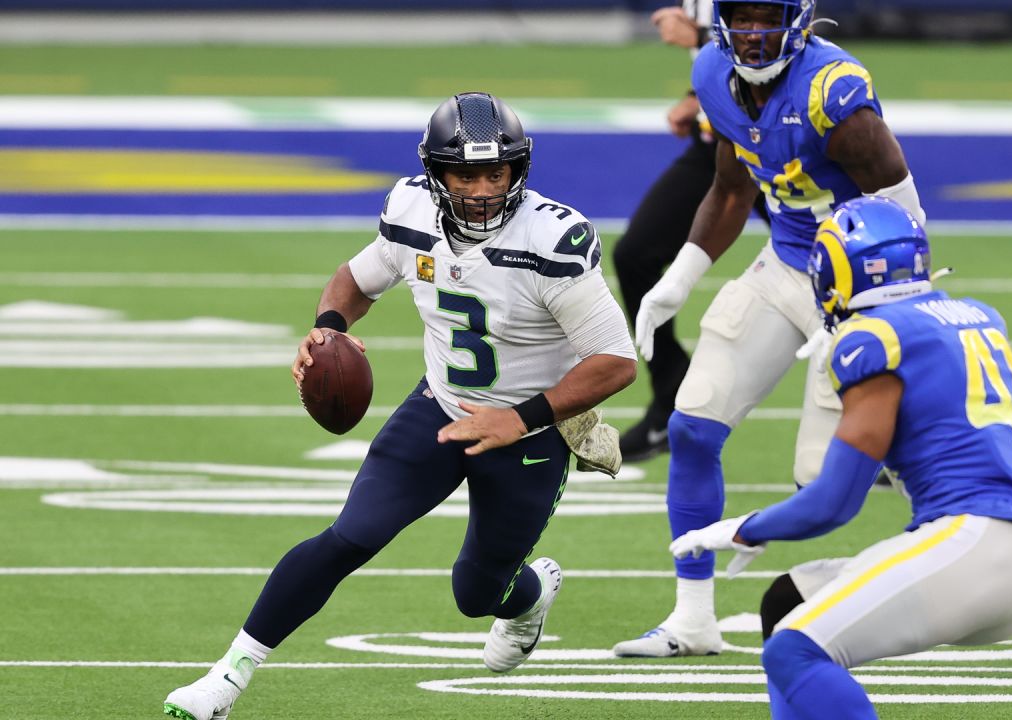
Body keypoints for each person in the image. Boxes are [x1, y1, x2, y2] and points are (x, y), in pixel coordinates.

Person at [162, 92, 637, 720]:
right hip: (441, 407)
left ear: (518, 170)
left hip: (527, 431)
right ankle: (226, 678)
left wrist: (517, 419)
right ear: (436, 172)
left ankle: (529, 598)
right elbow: (355, 279)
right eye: (465, 174)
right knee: (349, 536)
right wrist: (328, 328)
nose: (482, 190)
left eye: (496, 173)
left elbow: (614, 359)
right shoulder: (410, 208)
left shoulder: (553, 239)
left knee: (477, 592)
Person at [670, 196, 1012, 719]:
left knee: (796, 649)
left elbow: (833, 505)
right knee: (789, 604)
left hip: (971, 547)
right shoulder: (977, 320)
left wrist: (744, 528)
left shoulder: (874, 337)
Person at [614, 0, 928, 657]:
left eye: (768, 18)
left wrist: (861, 309)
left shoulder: (832, 95)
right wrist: (678, 280)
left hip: (858, 284)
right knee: (692, 424)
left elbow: (905, 217)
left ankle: (941, 554)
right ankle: (692, 619)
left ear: (800, 20)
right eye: (742, 17)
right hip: (786, 265)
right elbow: (732, 190)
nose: (754, 34)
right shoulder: (712, 71)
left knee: (823, 483)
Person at [614, 0, 770, 462]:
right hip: (719, 147)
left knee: (840, 273)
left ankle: (887, 430)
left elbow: (783, 44)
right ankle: (671, 399)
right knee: (635, 255)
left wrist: (702, 40)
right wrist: (696, 94)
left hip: (780, 143)